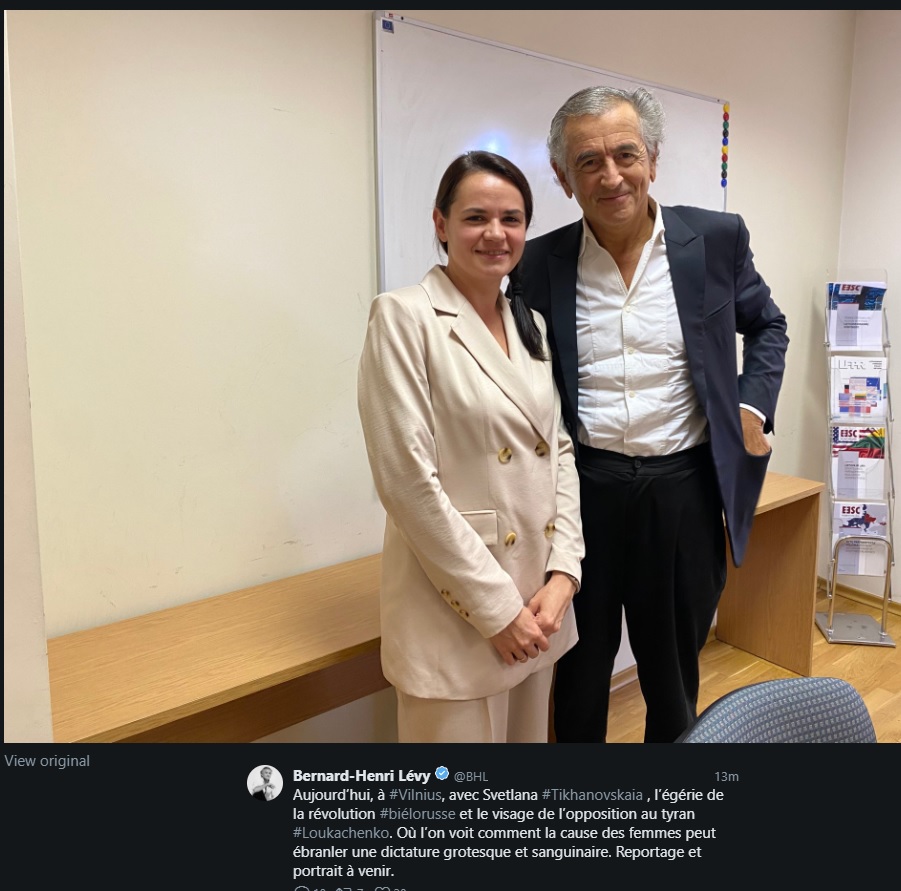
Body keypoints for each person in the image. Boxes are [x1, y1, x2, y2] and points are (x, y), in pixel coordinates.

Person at [518, 85, 788, 743]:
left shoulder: (715, 240)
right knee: (579, 673)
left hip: (682, 490)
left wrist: (750, 408)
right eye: (588, 162)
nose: (610, 176)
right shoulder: (536, 263)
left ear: (653, 160)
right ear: (563, 177)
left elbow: (767, 325)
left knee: (672, 679)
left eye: (625, 154)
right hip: (581, 492)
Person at [357, 150, 584, 743]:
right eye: (475, 217)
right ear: (441, 224)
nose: (495, 234)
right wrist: (496, 610)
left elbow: (559, 451)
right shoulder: (403, 317)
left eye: (511, 219)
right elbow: (407, 484)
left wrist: (565, 572)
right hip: (460, 608)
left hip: (538, 604)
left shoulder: (529, 323)